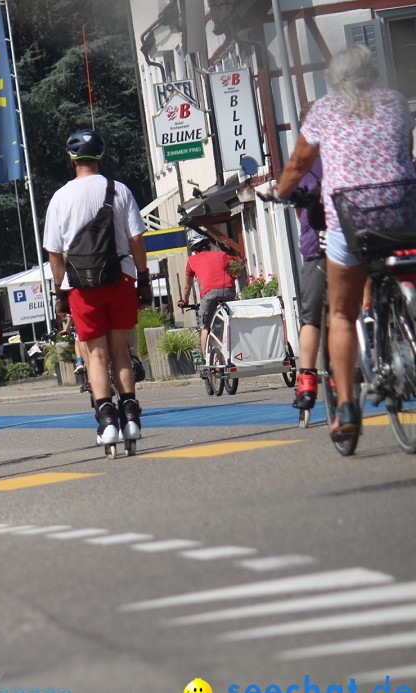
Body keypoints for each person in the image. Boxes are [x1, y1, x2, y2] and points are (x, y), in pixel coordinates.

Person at [273, 45, 416, 443]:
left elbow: (298, 165)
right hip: (403, 215)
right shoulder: (395, 102)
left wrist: (284, 192)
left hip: (350, 222)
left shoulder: (322, 110)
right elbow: (403, 152)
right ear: (372, 74)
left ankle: (348, 407)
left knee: (339, 311)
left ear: (333, 79)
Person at [43, 129, 151, 447]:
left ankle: (106, 422)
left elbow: (54, 253)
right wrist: (143, 278)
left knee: (95, 355)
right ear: (100, 157)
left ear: (72, 159)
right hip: (121, 279)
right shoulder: (120, 191)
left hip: (81, 286)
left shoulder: (61, 197)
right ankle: (131, 417)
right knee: (121, 352)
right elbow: (136, 240)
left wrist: (61, 292)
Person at [292, 153, 328, 413]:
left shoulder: (307, 162)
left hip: (320, 246)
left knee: (311, 319)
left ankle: (307, 383)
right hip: (366, 237)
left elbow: (297, 205)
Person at [177, 232, 238, 357]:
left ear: (194, 250)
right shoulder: (222, 254)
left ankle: (206, 359)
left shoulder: (192, 260)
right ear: (208, 247)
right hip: (229, 290)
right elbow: (233, 272)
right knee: (232, 321)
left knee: (205, 326)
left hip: (209, 293)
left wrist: (185, 301)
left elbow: (187, 286)